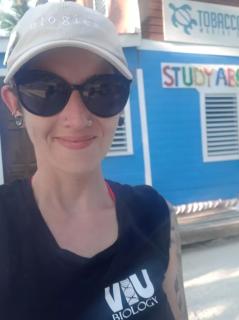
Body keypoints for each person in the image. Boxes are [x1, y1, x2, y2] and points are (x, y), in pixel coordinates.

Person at [0, 2, 188, 319]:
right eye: (46, 90)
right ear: (14, 102)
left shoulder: (156, 214)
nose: (76, 118)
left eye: (101, 90)